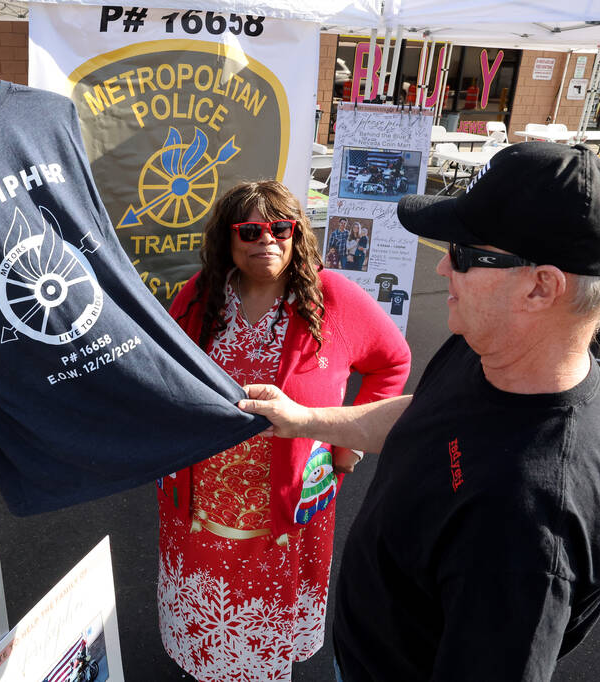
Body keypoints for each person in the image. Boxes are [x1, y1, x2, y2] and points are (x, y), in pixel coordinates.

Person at [240, 143, 600, 681]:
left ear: (541, 287)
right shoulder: (493, 347)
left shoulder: (526, 523)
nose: (444, 265)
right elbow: (424, 415)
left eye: (466, 252)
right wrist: (304, 419)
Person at [158, 180, 411, 681]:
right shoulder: (202, 294)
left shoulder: (332, 297)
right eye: (249, 230)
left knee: (264, 635)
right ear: (228, 240)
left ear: (296, 234)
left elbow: (391, 362)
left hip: (287, 506)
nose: (266, 240)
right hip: (201, 510)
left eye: (280, 228)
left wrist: (347, 448)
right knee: (208, 628)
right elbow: (162, 368)